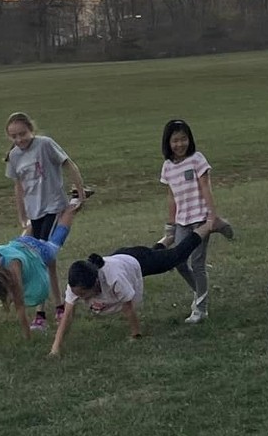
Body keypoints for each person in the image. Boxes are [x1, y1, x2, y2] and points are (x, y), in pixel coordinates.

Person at [48, 216, 232, 355]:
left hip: (137, 261)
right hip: (123, 259)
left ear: (95, 284)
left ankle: (209, 225)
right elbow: (67, 315)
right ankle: (167, 238)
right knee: (157, 256)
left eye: (82, 294)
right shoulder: (77, 282)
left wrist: (136, 335)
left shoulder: (114, 280)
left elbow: (129, 309)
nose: (79, 297)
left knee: (176, 257)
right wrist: (55, 348)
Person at [0, 200, 82, 344]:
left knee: (55, 242)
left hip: (38, 253)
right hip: (19, 243)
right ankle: (39, 215)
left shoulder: (13, 266)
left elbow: (20, 306)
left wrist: (27, 337)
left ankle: (71, 208)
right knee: (32, 233)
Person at [3, 111, 88, 331]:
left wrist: (80, 193)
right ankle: (58, 306)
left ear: (31, 129)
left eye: (23, 134)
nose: (20, 140)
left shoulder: (44, 144)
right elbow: (19, 186)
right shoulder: (14, 156)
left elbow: (69, 164)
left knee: (41, 259)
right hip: (35, 213)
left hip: (53, 207)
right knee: (46, 261)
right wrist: (22, 216)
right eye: (14, 136)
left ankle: (43, 313)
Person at [156, 119, 235, 324]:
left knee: (197, 263)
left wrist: (211, 216)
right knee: (179, 261)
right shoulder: (167, 167)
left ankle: (201, 309)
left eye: (184, 139)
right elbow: (171, 197)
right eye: (175, 140)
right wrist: (170, 226)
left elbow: (205, 188)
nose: (180, 144)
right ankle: (201, 293)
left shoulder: (197, 159)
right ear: (168, 142)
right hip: (182, 220)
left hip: (200, 218)